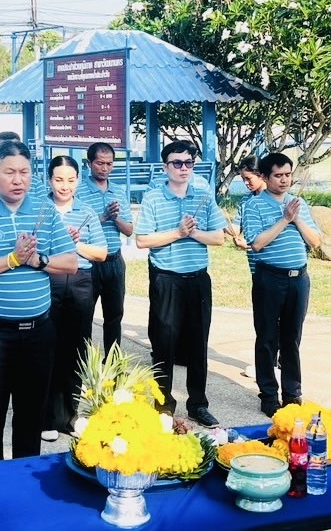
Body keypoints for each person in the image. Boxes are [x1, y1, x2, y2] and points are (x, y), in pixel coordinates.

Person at [0, 140, 77, 463]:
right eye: (10, 172)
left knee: (30, 415)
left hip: (39, 331)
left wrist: (36, 260)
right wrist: (11, 259)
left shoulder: (42, 209)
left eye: (24, 172)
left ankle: (24, 483)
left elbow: (70, 263)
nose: (18, 179)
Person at [136, 140, 226, 427]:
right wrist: (177, 232)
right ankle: (163, 405)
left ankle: (197, 404)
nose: (183, 168)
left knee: (198, 344)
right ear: (165, 167)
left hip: (198, 279)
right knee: (164, 344)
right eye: (177, 163)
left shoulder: (203, 195)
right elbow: (143, 240)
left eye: (189, 162)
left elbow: (219, 237)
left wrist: (193, 232)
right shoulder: (153, 198)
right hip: (167, 280)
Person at [242, 152, 323, 417]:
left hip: (298, 279)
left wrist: (296, 217)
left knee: (292, 337)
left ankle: (292, 393)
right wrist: (285, 219)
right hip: (269, 278)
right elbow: (256, 242)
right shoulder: (254, 205)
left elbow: (315, 241)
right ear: (265, 177)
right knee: (267, 337)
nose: (285, 180)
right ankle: (268, 394)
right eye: (278, 175)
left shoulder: (298, 203)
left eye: (288, 174)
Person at [42, 155, 106, 441]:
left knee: (77, 347)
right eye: (58, 179)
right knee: (48, 348)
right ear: (49, 180)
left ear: (78, 180)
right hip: (49, 280)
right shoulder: (41, 209)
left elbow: (101, 253)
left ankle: (69, 416)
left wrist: (76, 244)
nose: (64, 186)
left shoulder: (88, 211)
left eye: (70, 180)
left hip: (81, 282)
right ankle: (46, 417)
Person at [77, 141, 133, 356]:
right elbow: (76, 230)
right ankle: (83, 364)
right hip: (89, 264)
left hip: (114, 261)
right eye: (100, 163)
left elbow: (129, 230)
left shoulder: (118, 191)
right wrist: (103, 217)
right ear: (89, 163)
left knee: (114, 316)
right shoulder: (79, 191)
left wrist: (115, 217)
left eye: (109, 164)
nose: (105, 168)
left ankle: (112, 363)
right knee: (84, 317)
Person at [227, 156, 267, 380]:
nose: (246, 183)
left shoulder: (275, 200)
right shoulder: (245, 201)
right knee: (262, 319)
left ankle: (276, 363)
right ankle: (266, 363)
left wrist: (252, 245)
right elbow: (236, 225)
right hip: (256, 269)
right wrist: (227, 230)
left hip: (274, 266)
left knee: (278, 321)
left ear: (261, 175)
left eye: (249, 178)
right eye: (243, 179)